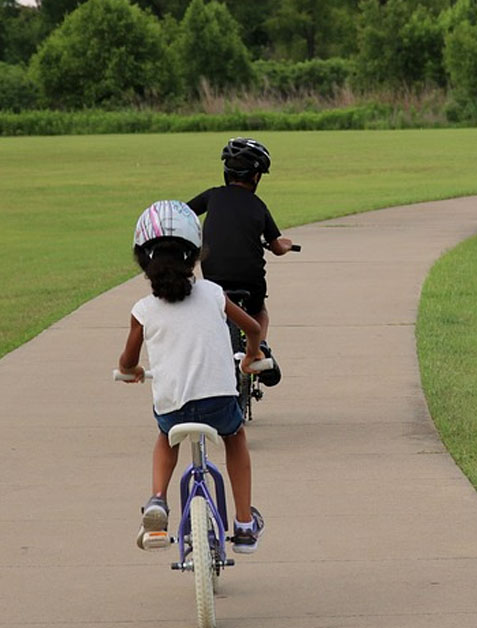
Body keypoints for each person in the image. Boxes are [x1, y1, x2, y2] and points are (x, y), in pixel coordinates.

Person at [117, 200, 267, 554]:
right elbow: (252, 327)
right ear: (195, 255)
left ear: (143, 259)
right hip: (219, 404)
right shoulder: (214, 294)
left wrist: (131, 371)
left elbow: (127, 360)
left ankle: (157, 501)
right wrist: (251, 354)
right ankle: (244, 523)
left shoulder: (143, 310)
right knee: (235, 437)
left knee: (166, 436)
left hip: (174, 408)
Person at [187, 137, 295, 386]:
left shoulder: (212, 196)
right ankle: (260, 348)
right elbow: (277, 247)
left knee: (217, 308)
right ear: (256, 177)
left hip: (214, 275)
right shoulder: (259, 206)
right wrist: (287, 245)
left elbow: (184, 211)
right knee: (259, 312)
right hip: (250, 277)